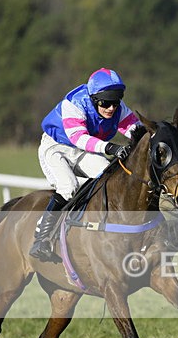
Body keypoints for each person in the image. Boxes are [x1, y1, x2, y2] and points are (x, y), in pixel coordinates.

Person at [30, 68, 144, 262]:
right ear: (93, 99)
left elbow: (138, 131)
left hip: (83, 152)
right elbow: (79, 138)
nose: (111, 108)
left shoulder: (118, 108)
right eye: (105, 103)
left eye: (115, 103)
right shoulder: (73, 104)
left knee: (108, 176)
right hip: (56, 148)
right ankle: (41, 237)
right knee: (69, 186)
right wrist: (110, 148)